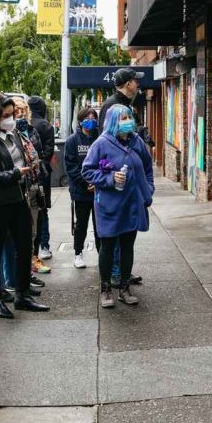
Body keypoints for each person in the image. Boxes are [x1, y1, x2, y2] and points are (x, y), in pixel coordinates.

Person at [0, 94, 50, 317]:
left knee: (25, 246)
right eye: (6, 115)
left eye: (12, 114)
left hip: (19, 198)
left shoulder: (14, 134)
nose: (11, 119)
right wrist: (13, 174)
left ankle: (22, 294)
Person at [82, 104, 155, 309]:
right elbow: (87, 171)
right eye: (123, 118)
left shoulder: (137, 141)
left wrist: (148, 189)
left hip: (133, 203)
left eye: (129, 117)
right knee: (107, 246)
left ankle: (124, 288)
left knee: (127, 246)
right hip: (109, 205)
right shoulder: (101, 143)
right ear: (113, 121)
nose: (128, 122)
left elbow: (148, 167)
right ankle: (105, 289)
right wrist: (110, 178)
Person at [14, 96, 51, 276]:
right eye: (17, 110)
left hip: (35, 184)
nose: (21, 113)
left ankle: (33, 259)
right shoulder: (8, 133)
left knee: (35, 225)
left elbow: (41, 153)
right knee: (21, 229)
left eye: (23, 110)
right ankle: (21, 268)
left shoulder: (32, 130)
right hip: (18, 186)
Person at [65, 107, 101, 269]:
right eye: (87, 119)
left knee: (100, 225)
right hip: (80, 192)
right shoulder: (72, 141)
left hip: (99, 190)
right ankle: (78, 253)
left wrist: (98, 182)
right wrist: (86, 183)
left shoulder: (100, 139)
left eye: (93, 118)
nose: (91, 121)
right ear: (80, 122)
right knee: (81, 224)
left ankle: (102, 254)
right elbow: (71, 167)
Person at [28, 95, 56, 262]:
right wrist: (41, 165)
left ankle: (33, 248)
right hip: (42, 174)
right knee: (42, 208)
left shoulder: (25, 123)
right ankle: (44, 246)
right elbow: (49, 149)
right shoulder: (46, 125)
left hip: (26, 173)